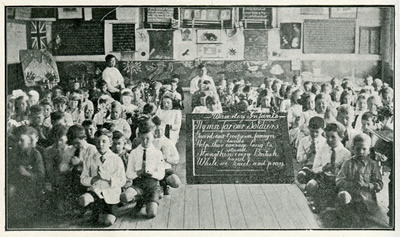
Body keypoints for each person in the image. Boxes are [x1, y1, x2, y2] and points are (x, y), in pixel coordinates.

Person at [79, 128, 126, 226]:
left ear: (110, 143)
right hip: (96, 192)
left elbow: (122, 181)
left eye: (104, 141)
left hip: (111, 194)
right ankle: (94, 210)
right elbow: (83, 179)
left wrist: (108, 178)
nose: (100, 144)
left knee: (108, 221)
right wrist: (93, 179)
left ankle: (105, 213)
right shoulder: (89, 159)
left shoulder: (116, 159)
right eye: (98, 142)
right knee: (83, 199)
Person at [336, 133, 383, 227]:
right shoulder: (348, 163)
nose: (361, 152)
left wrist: (366, 185)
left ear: (369, 150)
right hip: (350, 197)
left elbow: (379, 184)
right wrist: (351, 184)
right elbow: (339, 181)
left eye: (364, 149)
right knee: (345, 203)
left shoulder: (373, 165)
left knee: (364, 218)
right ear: (353, 148)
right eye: (358, 149)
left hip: (366, 198)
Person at [120, 119, 165, 218]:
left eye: (148, 138)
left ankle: (154, 196)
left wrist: (151, 173)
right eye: (142, 138)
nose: (145, 141)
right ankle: (140, 200)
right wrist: (138, 173)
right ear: (139, 136)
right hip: (138, 184)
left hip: (152, 186)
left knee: (151, 214)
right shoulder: (134, 153)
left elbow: (161, 174)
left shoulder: (157, 153)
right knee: (124, 196)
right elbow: (128, 174)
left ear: (153, 136)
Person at [306, 123, 351, 213]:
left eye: (333, 137)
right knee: (312, 184)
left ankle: (338, 207)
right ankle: (317, 203)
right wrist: (323, 169)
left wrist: (338, 169)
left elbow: (348, 173)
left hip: (337, 179)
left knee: (342, 191)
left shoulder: (346, 153)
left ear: (341, 137)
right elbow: (315, 168)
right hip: (324, 177)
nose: (329, 140)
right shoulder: (322, 149)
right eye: (327, 137)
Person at [8, 126, 45, 222]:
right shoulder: (13, 153)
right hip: (16, 183)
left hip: (31, 185)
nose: (18, 143)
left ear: (29, 141)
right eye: (17, 140)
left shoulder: (35, 154)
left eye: (21, 140)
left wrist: (27, 173)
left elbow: (41, 175)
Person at [296, 117, 326, 183]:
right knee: (301, 176)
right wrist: (309, 153)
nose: (314, 134)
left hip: (320, 167)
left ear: (322, 130)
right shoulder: (303, 141)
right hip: (308, 166)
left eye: (317, 132)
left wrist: (318, 152)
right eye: (312, 131)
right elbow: (299, 159)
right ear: (309, 128)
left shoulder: (325, 142)